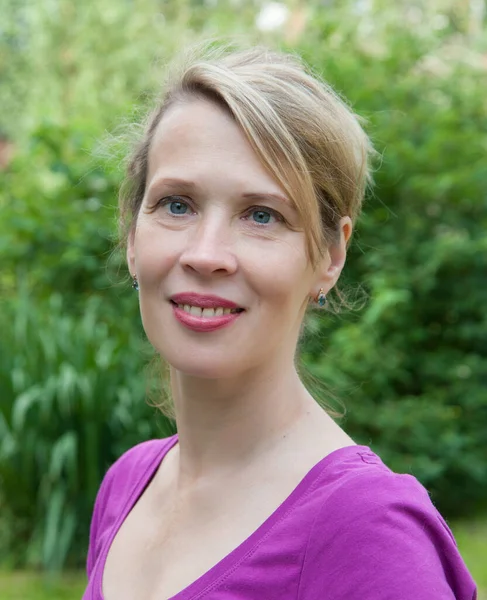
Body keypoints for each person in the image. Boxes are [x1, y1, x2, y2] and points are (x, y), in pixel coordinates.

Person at [83, 45, 477, 600]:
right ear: (131, 235)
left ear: (329, 257)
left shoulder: (369, 535)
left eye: (261, 215)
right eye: (177, 205)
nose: (206, 253)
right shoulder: (128, 483)